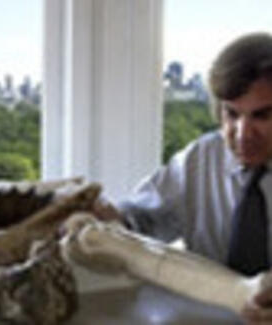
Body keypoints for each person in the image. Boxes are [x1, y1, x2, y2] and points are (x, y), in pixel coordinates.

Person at [94, 32, 272, 324]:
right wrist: (110, 219)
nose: (243, 134)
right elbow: (140, 218)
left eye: (262, 116)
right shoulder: (200, 159)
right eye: (231, 114)